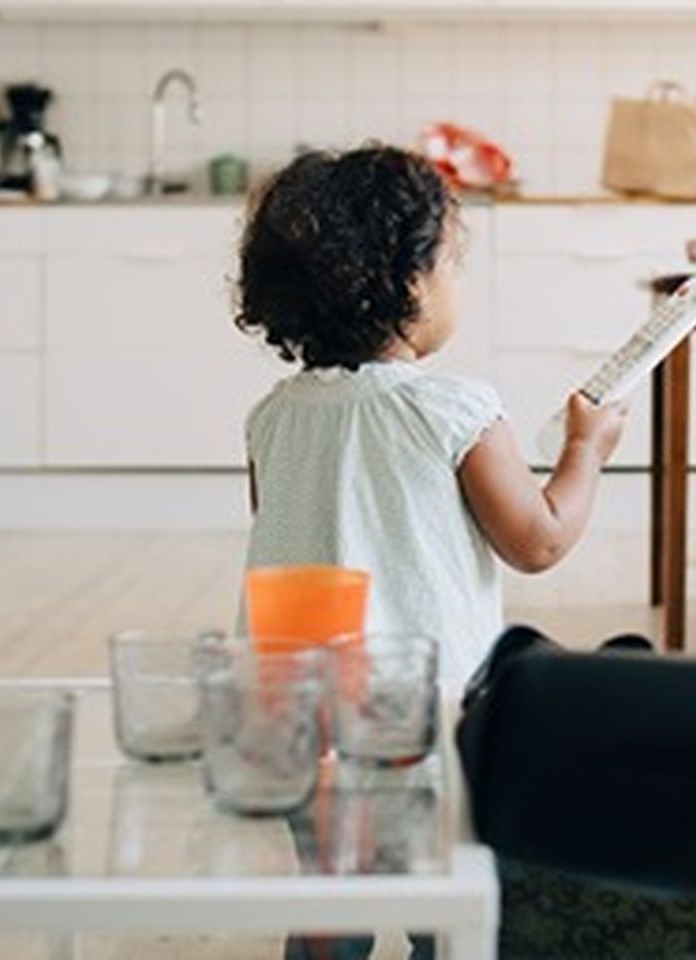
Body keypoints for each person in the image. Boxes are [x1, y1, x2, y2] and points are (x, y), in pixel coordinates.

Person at [234, 142, 629, 698]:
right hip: (420, 702)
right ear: (411, 283)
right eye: (452, 265)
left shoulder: (271, 418)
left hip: (289, 701)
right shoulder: (453, 411)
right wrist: (586, 448)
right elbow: (538, 542)